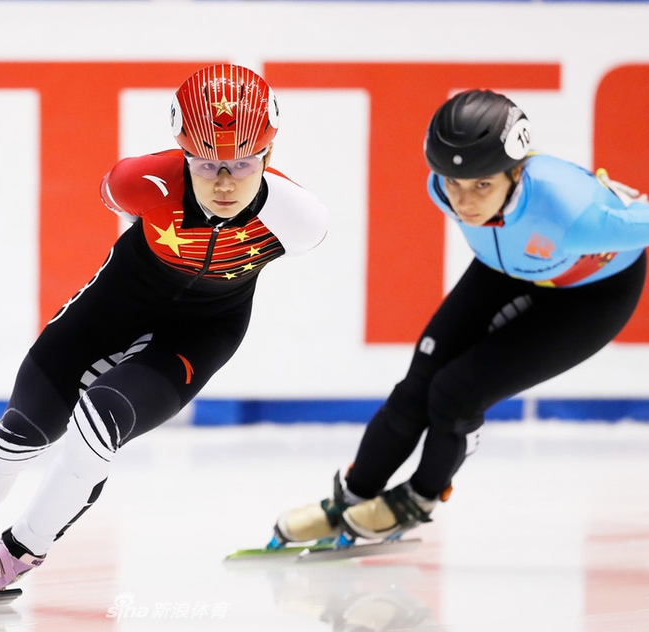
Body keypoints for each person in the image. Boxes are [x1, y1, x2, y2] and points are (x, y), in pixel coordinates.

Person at [0, 64, 329, 596]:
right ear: (182, 152)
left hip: (204, 331)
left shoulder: (301, 218)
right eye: (205, 163)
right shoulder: (138, 182)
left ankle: (20, 550)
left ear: (269, 155)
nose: (224, 181)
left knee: (100, 424)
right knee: (19, 431)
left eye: (242, 163)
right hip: (114, 306)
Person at [273, 89, 649, 547]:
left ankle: (420, 497)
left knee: (457, 392)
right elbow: (467, 194)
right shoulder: (443, 188)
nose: (465, 201)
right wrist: (470, 190)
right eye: (454, 183)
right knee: (416, 387)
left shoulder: (575, 214)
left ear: (517, 171)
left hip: (592, 295)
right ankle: (351, 500)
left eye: (482, 185)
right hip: (506, 267)